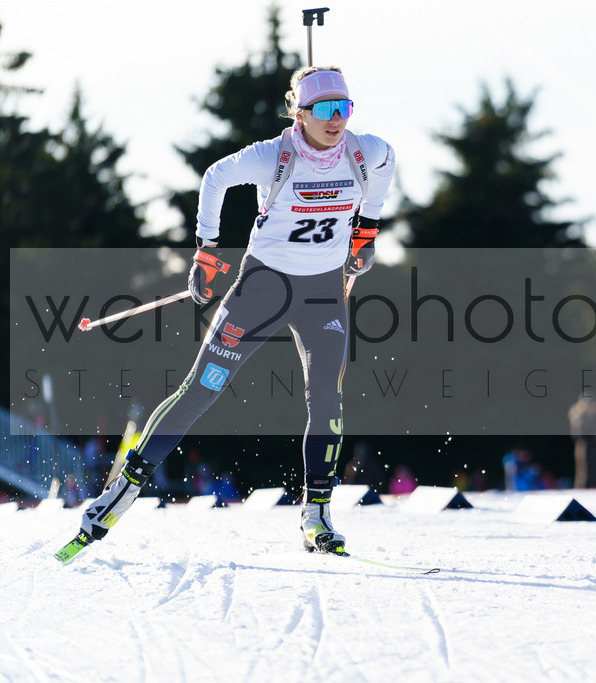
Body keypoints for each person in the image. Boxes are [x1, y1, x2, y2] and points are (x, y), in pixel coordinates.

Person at [61, 66, 395, 559]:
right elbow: (215, 177)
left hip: (324, 292)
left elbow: (384, 176)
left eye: (343, 108)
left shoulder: (369, 153)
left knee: (327, 396)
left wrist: (366, 232)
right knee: (202, 390)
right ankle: (120, 492)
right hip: (264, 288)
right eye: (323, 109)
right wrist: (206, 251)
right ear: (298, 113)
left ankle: (317, 513)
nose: (335, 119)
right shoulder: (272, 157)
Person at [568, 394, 596, 488]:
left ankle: (589, 487)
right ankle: (583, 488)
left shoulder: (589, 416)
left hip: (589, 444)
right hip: (584, 445)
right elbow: (580, 433)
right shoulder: (580, 415)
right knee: (584, 470)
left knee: (591, 468)